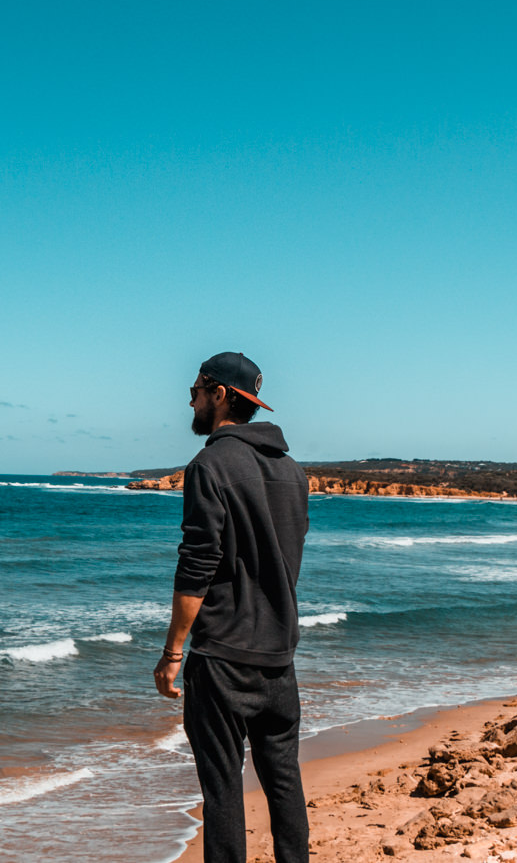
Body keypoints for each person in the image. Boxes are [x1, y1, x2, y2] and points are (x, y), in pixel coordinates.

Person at [154, 351, 310, 863]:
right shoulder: (292, 471)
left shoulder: (209, 465)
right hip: (279, 658)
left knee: (222, 791)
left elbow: (197, 562)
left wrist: (173, 652)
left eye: (195, 391)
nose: (192, 400)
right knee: (284, 785)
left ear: (219, 394)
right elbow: (289, 556)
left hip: (223, 659)